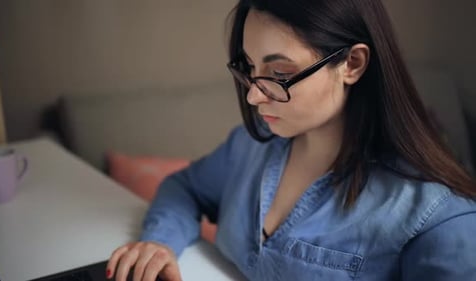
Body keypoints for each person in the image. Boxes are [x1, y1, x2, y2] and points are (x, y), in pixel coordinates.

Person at [106, 0, 476, 280]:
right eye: (249, 68)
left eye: (279, 73)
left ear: (352, 64)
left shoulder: (437, 218)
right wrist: (159, 243)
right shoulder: (252, 146)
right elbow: (184, 187)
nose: (253, 96)